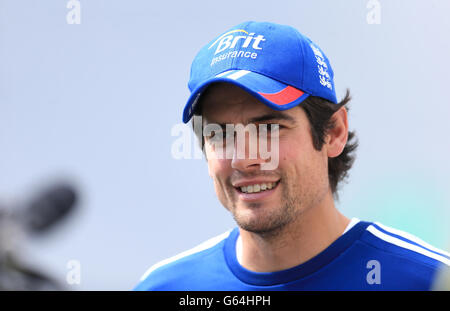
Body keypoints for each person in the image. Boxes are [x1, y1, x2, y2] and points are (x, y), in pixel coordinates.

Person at [134, 21, 450, 290]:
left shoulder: (426, 279)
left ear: (334, 132)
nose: (245, 159)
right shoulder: (166, 286)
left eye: (269, 128)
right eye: (221, 134)